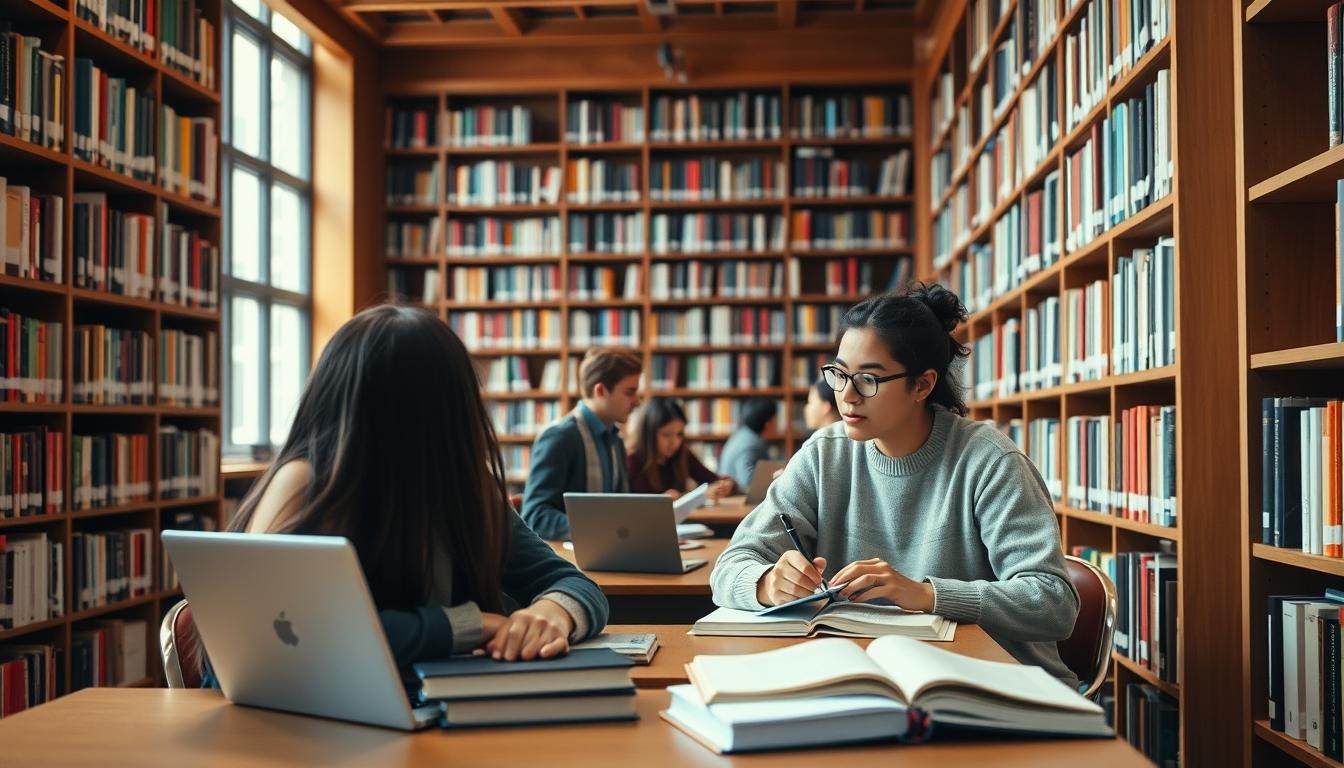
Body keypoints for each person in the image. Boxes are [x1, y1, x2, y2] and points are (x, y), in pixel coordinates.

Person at [206, 305, 608, 684]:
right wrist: (466, 625)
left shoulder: (463, 485)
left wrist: (552, 613)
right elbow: (289, 632)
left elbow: (575, 584)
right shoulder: (304, 482)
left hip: (419, 704)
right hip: (294, 711)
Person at [709, 284, 1080, 688]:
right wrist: (767, 582)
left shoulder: (989, 461)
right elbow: (731, 565)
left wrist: (926, 595)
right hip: (867, 678)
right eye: (839, 375)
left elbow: (1053, 602)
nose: (847, 396)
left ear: (922, 385)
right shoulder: (824, 454)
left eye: (868, 379)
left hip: (996, 685)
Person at [521, 349, 642, 540]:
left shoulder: (616, 441)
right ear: (600, 391)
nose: (637, 401)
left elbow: (620, 508)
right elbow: (535, 517)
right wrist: (598, 528)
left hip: (611, 548)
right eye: (629, 392)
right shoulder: (559, 437)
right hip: (569, 554)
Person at [626, 397, 735, 499]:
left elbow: (712, 479)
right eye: (666, 435)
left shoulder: (682, 453)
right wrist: (697, 496)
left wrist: (726, 485)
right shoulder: (633, 461)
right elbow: (636, 504)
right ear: (648, 435)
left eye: (679, 434)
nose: (675, 442)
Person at [716, 398, 779, 489]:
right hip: (739, 496)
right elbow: (747, 481)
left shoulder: (743, 435)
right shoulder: (750, 444)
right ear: (768, 423)